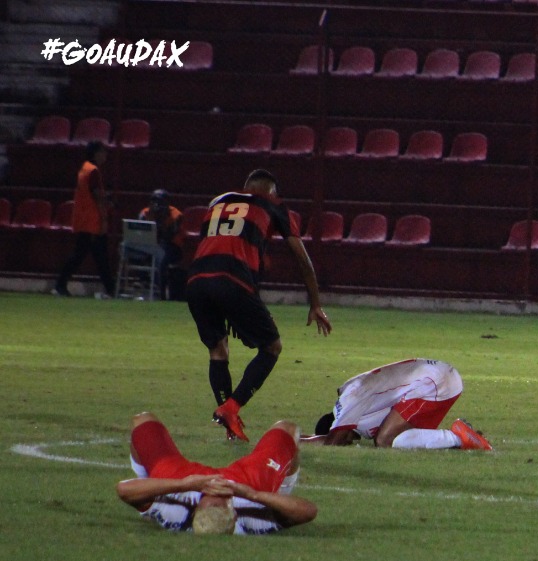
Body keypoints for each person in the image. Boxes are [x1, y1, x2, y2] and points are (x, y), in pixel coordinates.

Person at [186, 169, 332, 442]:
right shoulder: (273, 204)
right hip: (231, 281)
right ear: (270, 192)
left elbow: (222, 246)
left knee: (218, 351)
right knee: (272, 346)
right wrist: (315, 303)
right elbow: (303, 260)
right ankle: (231, 408)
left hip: (196, 280)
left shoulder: (217, 202)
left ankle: (230, 421)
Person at [116, 411, 317, 535]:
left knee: (142, 420)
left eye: (210, 500)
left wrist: (186, 484)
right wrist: (252, 494)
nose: (217, 492)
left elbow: (124, 489)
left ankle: (151, 486)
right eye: (222, 501)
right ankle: (278, 493)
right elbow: (308, 511)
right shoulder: (253, 519)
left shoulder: (175, 512)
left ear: (195, 510)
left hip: (185, 480)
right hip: (246, 485)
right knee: (287, 429)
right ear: (234, 513)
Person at [303, 358, 492, 450]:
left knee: (384, 440)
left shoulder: (347, 404)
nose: (348, 443)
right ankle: (467, 437)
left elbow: (331, 443)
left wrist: (293, 439)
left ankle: (457, 437)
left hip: (434, 383)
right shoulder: (360, 414)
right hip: (437, 378)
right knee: (399, 439)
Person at [54, 140, 114, 298]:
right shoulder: (93, 171)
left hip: (84, 219)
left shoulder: (84, 169)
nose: (105, 154)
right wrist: (104, 219)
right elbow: (96, 197)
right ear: (96, 153)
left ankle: (110, 288)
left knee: (96, 256)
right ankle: (60, 284)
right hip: (92, 221)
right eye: (102, 151)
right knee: (87, 255)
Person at [137, 189, 186, 300]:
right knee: (137, 253)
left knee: (161, 258)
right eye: (153, 201)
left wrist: (160, 220)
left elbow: (168, 237)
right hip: (151, 245)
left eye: (159, 202)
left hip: (172, 247)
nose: (156, 205)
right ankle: (143, 282)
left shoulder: (176, 215)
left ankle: (160, 292)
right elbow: (139, 232)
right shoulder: (145, 213)